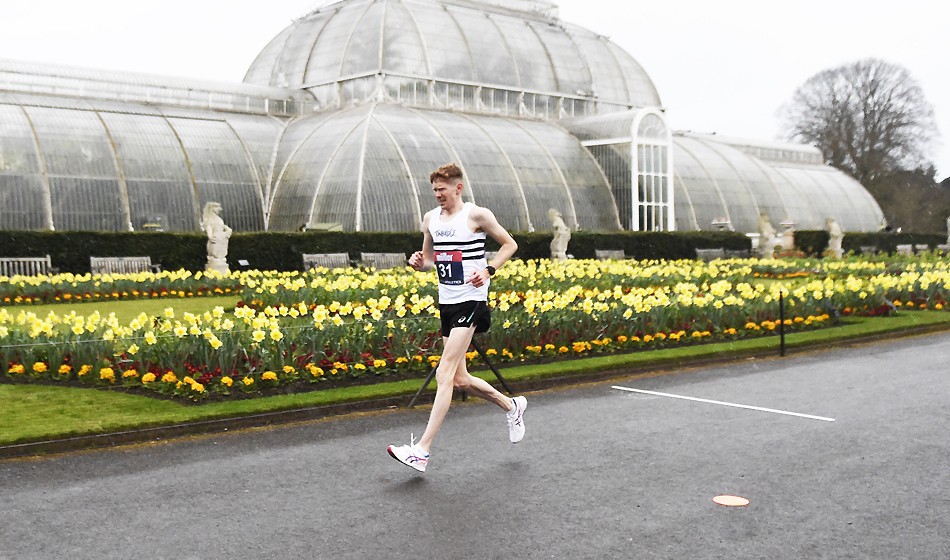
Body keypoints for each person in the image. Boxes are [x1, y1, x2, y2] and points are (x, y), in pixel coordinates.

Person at [387, 163, 524, 473]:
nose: (438, 195)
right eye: (434, 190)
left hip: (472, 302)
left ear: (458, 188)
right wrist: (417, 262)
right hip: (447, 304)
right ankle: (512, 406)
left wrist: (488, 270)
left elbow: (510, 244)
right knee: (460, 379)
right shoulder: (430, 220)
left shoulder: (477, 215)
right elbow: (429, 261)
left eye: (443, 190)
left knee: (444, 372)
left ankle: (421, 451)